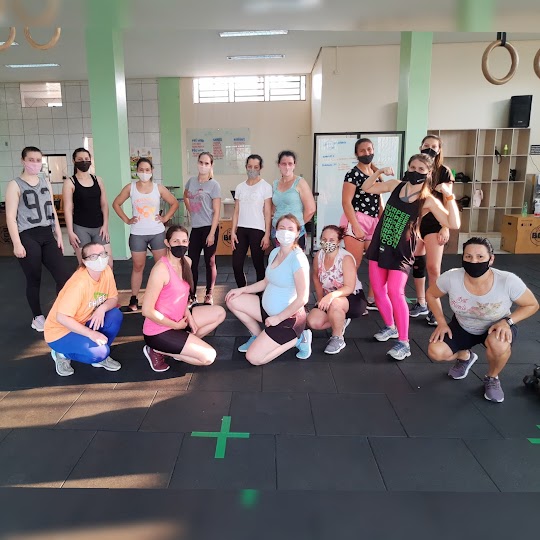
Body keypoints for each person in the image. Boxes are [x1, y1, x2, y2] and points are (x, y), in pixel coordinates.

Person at [363, 153, 460, 360]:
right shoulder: (395, 185)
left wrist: (449, 196)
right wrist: (378, 172)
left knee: (395, 291)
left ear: (429, 173)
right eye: (412, 167)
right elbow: (367, 187)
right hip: (381, 243)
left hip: (402, 250)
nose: (415, 172)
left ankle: (404, 342)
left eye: (421, 169)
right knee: (378, 290)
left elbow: (453, 223)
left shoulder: (428, 200)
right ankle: (390, 326)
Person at [427, 237, 539, 403]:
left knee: (499, 346)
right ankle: (465, 356)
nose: (474, 261)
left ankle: (492, 377)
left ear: (491, 259)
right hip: (463, 326)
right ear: (462, 258)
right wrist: (442, 323)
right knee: (435, 352)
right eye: (468, 256)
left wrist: (508, 321)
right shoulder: (452, 277)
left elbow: (532, 304)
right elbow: (431, 294)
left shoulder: (507, 280)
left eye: (480, 257)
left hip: (497, 326)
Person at [225, 214, 311, 365]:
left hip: (287, 319)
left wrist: (278, 318)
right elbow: (266, 282)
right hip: (267, 313)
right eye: (282, 228)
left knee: (254, 358)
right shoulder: (274, 253)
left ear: (298, 233)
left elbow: (303, 298)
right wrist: (242, 290)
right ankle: (258, 336)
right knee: (232, 299)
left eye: (290, 229)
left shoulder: (298, 259)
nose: (285, 232)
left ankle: (299, 340)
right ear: (276, 231)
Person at [5, 146, 72, 332]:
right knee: (34, 278)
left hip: (47, 234)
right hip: (27, 235)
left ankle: (61, 313)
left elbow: (51, 210)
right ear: (23, 161)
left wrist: (58, 233)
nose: (35, 163)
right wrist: (17, 243)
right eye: (31, 160)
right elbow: (10, 217)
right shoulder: (15, 185)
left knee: (63, 276)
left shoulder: (45, 181)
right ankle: (37, 317)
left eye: (38, 160)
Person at [142, 225, 226, 372]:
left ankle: (179, 347)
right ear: (167, 243)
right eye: (176, 241)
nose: (180, 245)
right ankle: (156, 350)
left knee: (220, 313)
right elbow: (147, 310)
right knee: (208, 357)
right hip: (159, 330)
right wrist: (175, 326)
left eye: (184, 241)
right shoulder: (160, 270)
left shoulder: (187, 262)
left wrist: (189, 317)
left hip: (180, 320)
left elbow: (182, 298)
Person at [44, 242, 123, 376]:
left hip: (85, 321)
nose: (100, 259)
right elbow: (61, 317)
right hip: (60, 332)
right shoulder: (79, 284)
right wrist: (91, 334)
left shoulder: (106, 271)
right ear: (85, 261)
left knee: (115, 315)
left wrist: (102, 309)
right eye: (94, 256)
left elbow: (113, 298)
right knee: (100, 353)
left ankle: (101, 355)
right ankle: (61, 354)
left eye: (103, 254)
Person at [112, 157, 179, 311]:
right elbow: (116, 203)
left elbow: (174, 203)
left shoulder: (158, 188)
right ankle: (134, 298)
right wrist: (127, 220)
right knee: (138, 266)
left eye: (147, 170)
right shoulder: (130, 188)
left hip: (157, 232)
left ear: (152, 171)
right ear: (137, 171)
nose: (144, 172)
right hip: (138, 233)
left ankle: (163, 297)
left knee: (161, 266)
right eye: (141, 170)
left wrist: (165, 218)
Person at [410, 135, 456, 325]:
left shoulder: (444, 172)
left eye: (433, 146)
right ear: (420, 147)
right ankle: (421, 302)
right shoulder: (415, 170)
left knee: (433, 267)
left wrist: (445, 227)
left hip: (435, 224)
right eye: (426, 145)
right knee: (417, 263)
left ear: (439, 150)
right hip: (416, 223)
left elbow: (448, 199)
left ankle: (434, 308)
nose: (429, 148)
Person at [307, 225, 367, 354]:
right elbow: (316, 277)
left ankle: (338, 338)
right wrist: (320, 299)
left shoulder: (345, 258)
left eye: (331, 240)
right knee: (313, 322)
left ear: (339, 241)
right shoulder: (319, 255)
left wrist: (330, 296)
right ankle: (340, 319)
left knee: (335, 304)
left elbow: (349, 287)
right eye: (324, 239)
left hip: (352, 297)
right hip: (330, 297)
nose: (327, 243)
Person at [340, 138, 381, 311]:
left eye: (369, 149)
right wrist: (355, 226)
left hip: (374, 221)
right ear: (356, 153)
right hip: (357, 219)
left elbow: (379, 201)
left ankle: (371, 299)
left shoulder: (376, 173)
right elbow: (346, 202)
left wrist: (382, 221)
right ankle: (351, 300)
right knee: (354, 264)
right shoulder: (352, 174)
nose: (367, 153)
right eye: (362, 150)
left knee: (376, 262)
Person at [63, 147, 113, 267]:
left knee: (108, 264)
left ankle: (107, 281)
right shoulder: (70, 182)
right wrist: (70, 232)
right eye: (80, 159)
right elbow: (68, 208)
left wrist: (105, 225)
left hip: (99, 227)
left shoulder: (98, 180)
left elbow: (104, 204)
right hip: (80, 228)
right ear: (74, 161)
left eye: (86, 159)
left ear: (90, 160)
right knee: (85, 265)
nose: (84, 161)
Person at [184, 152, 221, 305]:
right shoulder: (191, 181)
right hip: (196, 228)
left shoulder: (214, 185)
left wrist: (212, 233)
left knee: (209, 262)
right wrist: (190, 209)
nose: (203, 166)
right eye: (201, 162)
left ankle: (209, 294)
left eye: (207, 163)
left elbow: (217, 212)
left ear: (211, 165)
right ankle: (192, 295)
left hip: (209, 228)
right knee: (191, 262)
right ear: (197, 163)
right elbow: (186, 195)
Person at [231, 154, 272, 287]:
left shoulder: (265, 187)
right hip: (241, 230)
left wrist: (267, 234)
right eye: (250, 166)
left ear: (260, 168)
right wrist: (233, 232)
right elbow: (236, 212)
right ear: (246, 167)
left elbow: (267, 212)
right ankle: (242, 289)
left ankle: (260, 293)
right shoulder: (240, 187)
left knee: (258, 264)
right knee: (236, 264)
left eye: (256, 167)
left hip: (258, 230)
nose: (252, 169)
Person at [271, 150, 316, 251]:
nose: (287, 167)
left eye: (290, 164)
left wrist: (297, 225)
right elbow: (273, 208)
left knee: (296, 259)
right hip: (277, 231)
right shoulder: (275, 184)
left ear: (294, 165)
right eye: (284, 164)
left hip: (295, 233)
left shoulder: (300, 182)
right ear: (279, 165)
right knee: (279, 258)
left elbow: (311, 209)